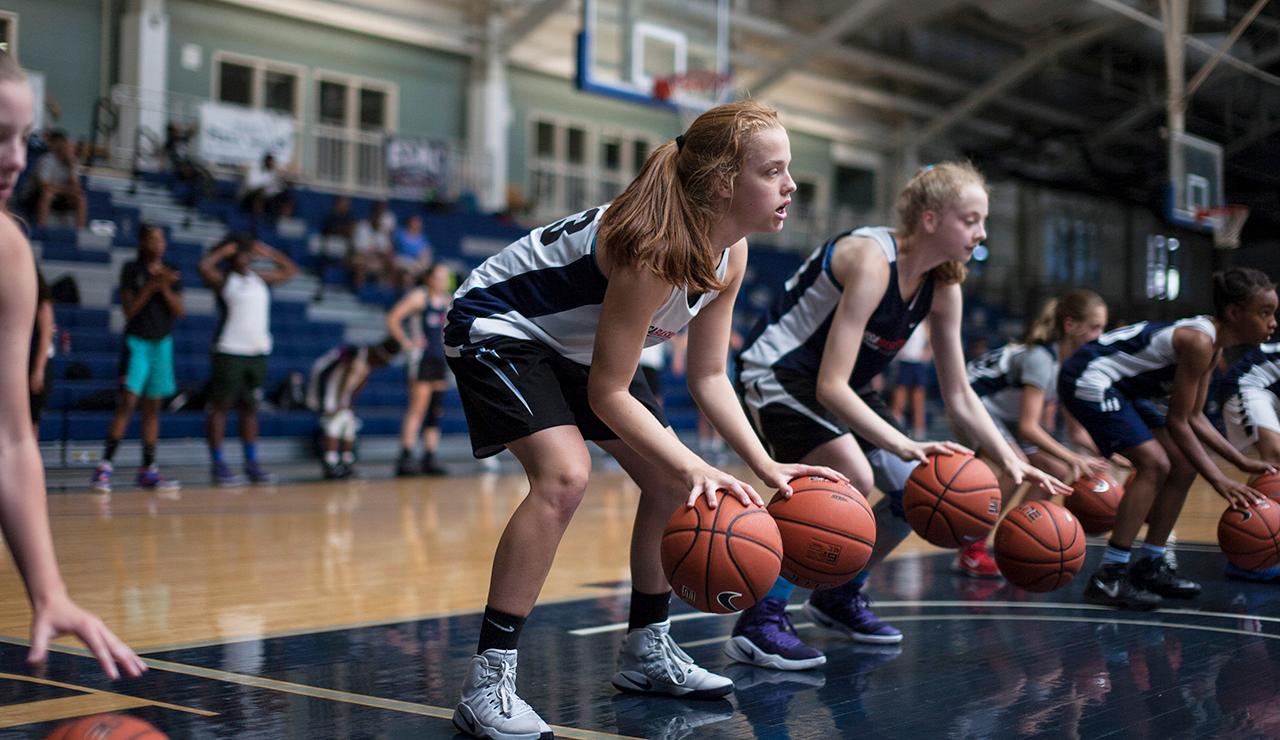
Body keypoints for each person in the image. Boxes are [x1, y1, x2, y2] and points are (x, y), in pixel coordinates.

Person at [444, 100, 842, 740]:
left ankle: (646, 651)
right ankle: (488, 680)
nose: (791, 185)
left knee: (670, 484)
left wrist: (762, 465)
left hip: (576, 345)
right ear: (722, 183)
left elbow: (710, 374)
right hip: (500, 327)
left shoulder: (730, 253)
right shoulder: (656, 249)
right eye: (774, 171)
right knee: (565, 478)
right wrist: (694, 462)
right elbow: (608, 392)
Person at [726, 162, 1068, 671]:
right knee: (854, 478)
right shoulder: (871, 259)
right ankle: (759, 618)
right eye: (971, 220)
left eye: (983, 221)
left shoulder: (943, 285)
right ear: (930, 220)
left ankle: (839, 593)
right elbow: (829, 385)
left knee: (919, 488)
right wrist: (903, 443)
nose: (982, 232)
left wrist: (1008, 456)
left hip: (844, 385)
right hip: (778, 372)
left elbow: (958, 393)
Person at [0, 48, 146, 681]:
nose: (14, 158)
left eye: (23, 138)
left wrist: (48, 590)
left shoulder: (8, 251)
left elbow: (9, 439)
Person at [1059, 267, 1277, 609]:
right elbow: (1178, 423)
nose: (1273, 322)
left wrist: (1240, 461)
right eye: (1265, 313)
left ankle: (1150, 564)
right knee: (1154, 464)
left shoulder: (1214, 346)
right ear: (1235, 313)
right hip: (1089, 378)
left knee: (1185, 465)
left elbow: (1194, 417)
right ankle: (1110, 575)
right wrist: (1219, 478)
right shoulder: (1199, 341)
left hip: (1122, 389)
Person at [955, 289, 1111, 576]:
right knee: (1019, 467)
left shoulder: (1069, 365)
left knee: (1056, 470)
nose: (1100, 335)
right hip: (971, 402)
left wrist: (1114, 455)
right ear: (1070, 326)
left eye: (1103, 327)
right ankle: (971, 551)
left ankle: (1019, 539)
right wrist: (1076, 458)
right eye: (1094, 327)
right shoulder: (1041, 358)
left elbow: (1076, 432)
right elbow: (1029, 426)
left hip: (1004, 415)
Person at [90, 224, 185, 493]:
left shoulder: (171, 270)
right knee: (128, 403)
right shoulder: (132, 270)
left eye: (162, 238)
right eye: (153, 238)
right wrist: (151, 286)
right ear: (143, 241)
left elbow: (180, 310)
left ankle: (148, 469)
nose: (159, 243)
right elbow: (129, 310)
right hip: (138, 343)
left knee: (153, 408)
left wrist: (165, 287)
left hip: (162, 344)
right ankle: (104, 466)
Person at [198, 232, 298, 486]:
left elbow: (290, 270)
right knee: (220, 408)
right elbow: (203, 267)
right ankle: (218, 462)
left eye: (247, 252)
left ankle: (251, 462)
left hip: (257, 353)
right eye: (241, 252)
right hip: (229, 351)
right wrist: (224, 250)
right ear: (232, 255)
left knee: (250, 409)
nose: (246, 256)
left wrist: (267, 250)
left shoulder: (259, 279)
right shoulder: (225, 280)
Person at [1221, 339, 1280, 582]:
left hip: (1273, 390)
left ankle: (1254, 549)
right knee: (1275, 458)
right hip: (1248, 383)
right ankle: (1251, 558)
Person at [386, 263, 452, 476]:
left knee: (435, 411)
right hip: (421, 359)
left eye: (446, 277)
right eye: (440, 276)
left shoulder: (448, 300)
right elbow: (393, 318)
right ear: (429, 278)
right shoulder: (419, 297)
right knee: (418, 408)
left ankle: (430, 455)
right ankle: (406, 455)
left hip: (440, 360)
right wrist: (406, 342)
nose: (444, 281)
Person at [306, 337, 400, 479]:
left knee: (349, 425)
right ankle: (330, 463)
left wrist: (349, 402)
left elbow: (356, 385)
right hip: (329, 386)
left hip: (341, 394)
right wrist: (338, 402)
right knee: (334, 424)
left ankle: (346, 462)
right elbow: (338, 375)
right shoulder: (356, 353)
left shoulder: (366, 364)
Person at [24, 130, 87, 228]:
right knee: (48, 194)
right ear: (61, 148)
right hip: (34, 194)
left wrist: (71, 169)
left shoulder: (73, 163)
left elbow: (76, 188)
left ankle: (79, 232)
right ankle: (42, 229)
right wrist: (66, 190)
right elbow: (44, 186)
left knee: (80, 198)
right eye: (69, 147)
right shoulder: (47, 159)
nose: (72, 151)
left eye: (73, 148)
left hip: (57, 193)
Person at [890, 323, 932, 438]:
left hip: (918, 364)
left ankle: (919, 429)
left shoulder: (925, 325)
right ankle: (896, 425)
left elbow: (931, 341)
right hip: (904, 362)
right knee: (900, 394)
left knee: (918, 396)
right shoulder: (904, 322)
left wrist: (928, 353)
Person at [350, 200, 395, 290]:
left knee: (391, 263)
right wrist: (372, 252)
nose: (378, 219)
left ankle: (385, 291)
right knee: (360, 265)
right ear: (372, 215)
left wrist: (379, 254)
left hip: (375, 259)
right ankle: (359, 291)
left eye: (380, 218)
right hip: (360, 257)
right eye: (376, 216)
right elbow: (358, 248)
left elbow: (385, 249)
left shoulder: (382, 231)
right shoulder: (362, 226)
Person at [29, 270, 52, 436]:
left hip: (35, 363)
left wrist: (38, 370)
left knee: (31, 421)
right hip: (18, 364)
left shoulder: (42, 303)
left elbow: (46, 337)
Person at [239, 152, 293, 218]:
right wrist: (265, 187)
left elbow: (279, 187)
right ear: (265, 162)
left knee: (286, 196)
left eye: (272, 162)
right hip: (251, 194)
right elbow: (251, 185)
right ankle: (257, 217)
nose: (272, 164)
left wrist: (282, 181)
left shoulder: (274, 173)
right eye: (270, 162)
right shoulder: (255, 171)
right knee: (259, 194)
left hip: (269, 195)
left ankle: (284, 219)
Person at [391, 214, 431, 290]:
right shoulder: (400, 233)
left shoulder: (423, 238)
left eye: (419, 222)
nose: (417, 224)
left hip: (415, 264)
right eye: (415, 222)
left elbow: (425, 253)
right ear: (409, 222)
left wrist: (423, 264)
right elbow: (391, 248)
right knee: (407, 274)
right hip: (400, 259)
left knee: (412, 274)